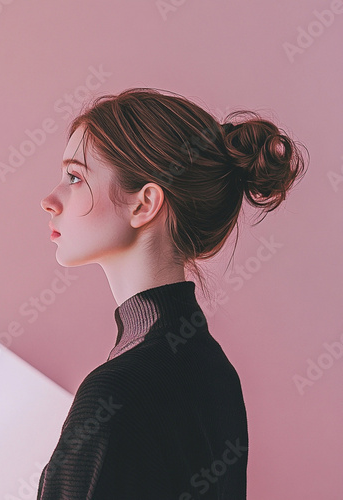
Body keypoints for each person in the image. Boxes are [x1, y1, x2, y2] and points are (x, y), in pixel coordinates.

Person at [38, 88, 308, 499]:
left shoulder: (114, 393)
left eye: (75, 177)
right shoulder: (215, 373)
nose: (49, 200)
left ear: (144, 204)